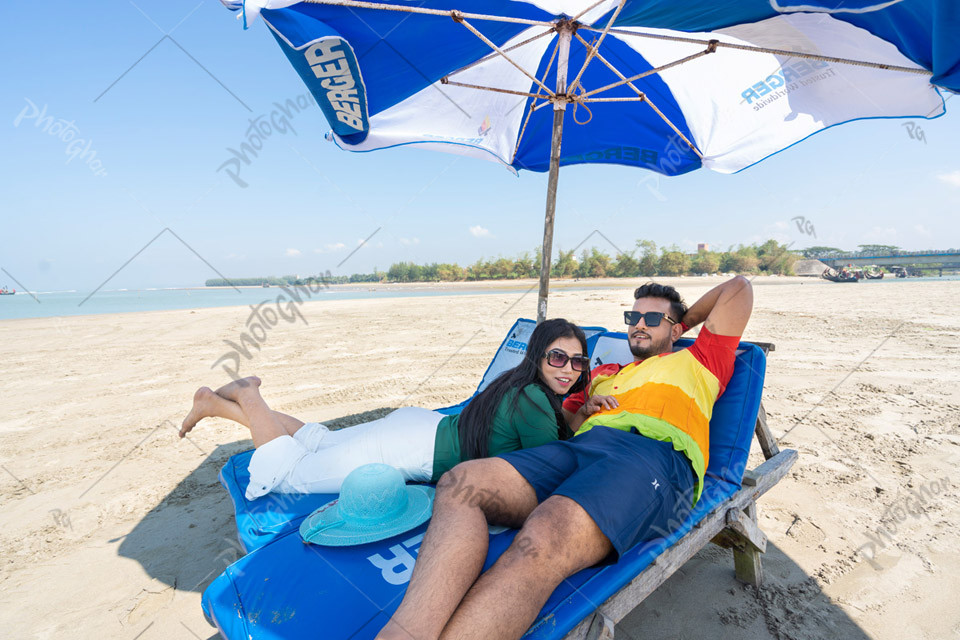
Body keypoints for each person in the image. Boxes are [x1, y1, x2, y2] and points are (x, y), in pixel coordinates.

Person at [376, 275, 753, 640]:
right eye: (632, 317)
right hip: (580, 449)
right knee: (462, 482)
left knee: (546, 535)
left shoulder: (702, 360)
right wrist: (585, 409)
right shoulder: (604, 375)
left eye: (652, 319)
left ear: (675, 330)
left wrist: (683, 322)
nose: (638, 325)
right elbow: (563, 425)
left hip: (652, 457)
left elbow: (738, 288)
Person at [180, 318, 590, 499]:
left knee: (317, 441)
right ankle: (249, 393)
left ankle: (213, 404)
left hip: (418, 429)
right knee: (289, 476)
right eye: (557, 357)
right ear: (537, 356)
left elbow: (550, 436)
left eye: (577, 361)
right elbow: (548, 466)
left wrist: (579, 413)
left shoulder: (523, 387)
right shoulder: (536, 397)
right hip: (408, 450)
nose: (568, 369)